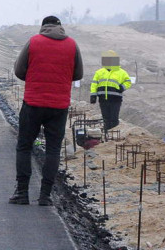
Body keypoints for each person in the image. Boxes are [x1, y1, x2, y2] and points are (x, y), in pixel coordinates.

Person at [10, 15, 84, 206]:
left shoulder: (33, 42)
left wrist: (34, 78)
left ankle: (22, 192)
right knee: (53, 150)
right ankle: (45, 195)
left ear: (43, 27)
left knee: (24, 146)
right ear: (60, 27)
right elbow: (78, 74)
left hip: (33, 103)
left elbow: (19, 70)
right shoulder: (72, 45)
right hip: (59, 106)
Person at [90, 50, 132, 132]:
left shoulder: (122, 72)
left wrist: (122, 87)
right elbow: (94, 84)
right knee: (106, 118)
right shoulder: (99, 72)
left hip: (115, 100)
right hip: (103, 99)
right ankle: (107, 135)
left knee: (114, 118)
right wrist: (93, 95)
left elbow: (128, 82)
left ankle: (113, 134)